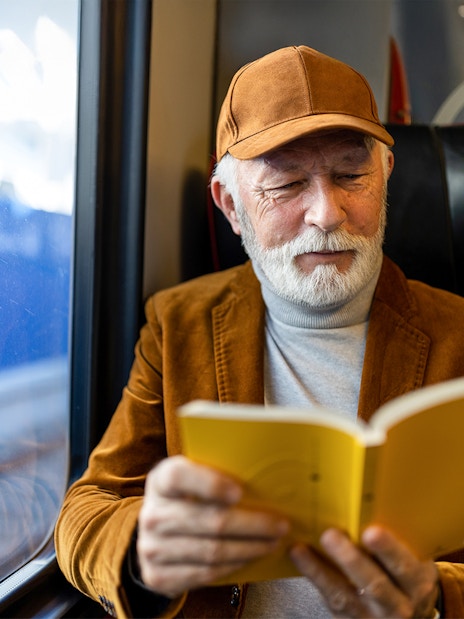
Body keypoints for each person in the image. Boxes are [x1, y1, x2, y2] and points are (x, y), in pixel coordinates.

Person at [55, 45, 464, 618]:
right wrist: (142, 555)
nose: (327, 213)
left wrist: (441, 599)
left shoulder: (458, 334)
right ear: (231, 205)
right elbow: (89, 507)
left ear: (386, 176)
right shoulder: (178, 325)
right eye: (288, 185)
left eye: (352, 175)